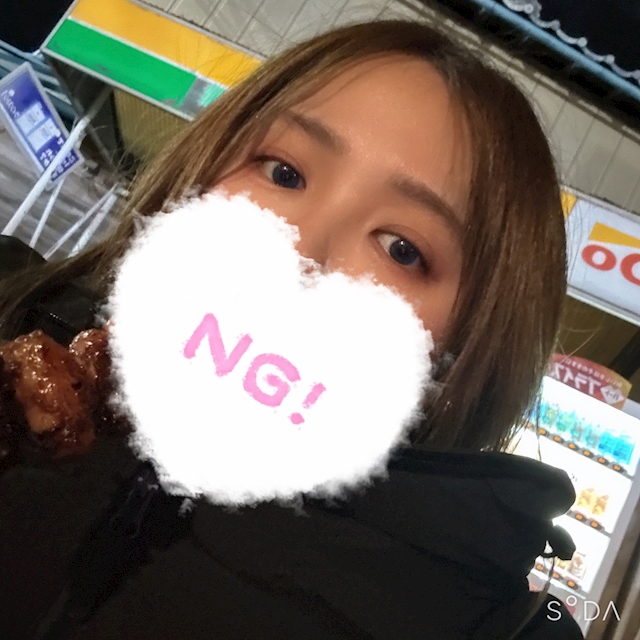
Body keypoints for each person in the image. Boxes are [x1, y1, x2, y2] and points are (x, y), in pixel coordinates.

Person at [0, 20, 583, 639]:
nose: (299, 250)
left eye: (402, 249)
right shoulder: (18, 313)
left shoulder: (475, 623)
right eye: (283, 173)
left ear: (462, 357)